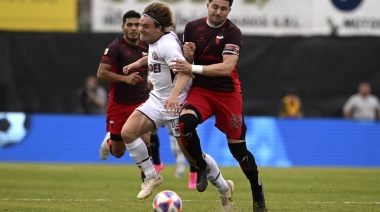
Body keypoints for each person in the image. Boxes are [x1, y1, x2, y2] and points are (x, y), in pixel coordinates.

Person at [121, 4, 233, 210]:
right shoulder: (154, 40)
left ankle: (224, 188)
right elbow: (155, 57)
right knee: (127, 133)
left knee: (193, 157)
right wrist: (138, 63)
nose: (140, 29)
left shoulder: (167, 45)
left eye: (145, 26)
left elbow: (184, 71)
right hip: (157, 100)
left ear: (159, 28)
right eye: (140, 25)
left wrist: (173, 96)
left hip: (176, 103)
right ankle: (152, 176)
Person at [170, 0, 267, 211]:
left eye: (223, 8)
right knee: (185, 122)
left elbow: (226, 68)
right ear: (207, 5)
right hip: (202, 91)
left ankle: (256, 188)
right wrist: (188, 57)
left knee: (238, 149)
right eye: (215, 6)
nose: (218, 12)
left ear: (229, 10)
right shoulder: (192, 28)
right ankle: (201, 166)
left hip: (227, 93)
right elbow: (187, 63)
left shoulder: (233, 32)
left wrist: (191, 65)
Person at [97, 10, 152, 164]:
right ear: (123, 27)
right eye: (130, 25)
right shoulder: (116, 47)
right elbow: (101, 74)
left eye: (137, 25)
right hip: (119, 104)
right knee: (118, 152)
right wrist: (125, 78)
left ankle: (148, 179)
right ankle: (110, 140)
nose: (134, 28)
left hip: (142, 102)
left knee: (147, 139)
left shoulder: (147, 47)